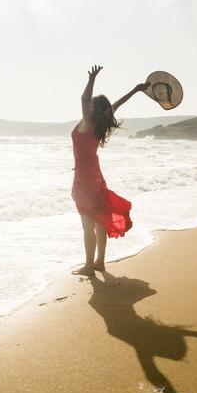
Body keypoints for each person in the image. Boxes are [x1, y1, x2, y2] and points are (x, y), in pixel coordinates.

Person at [71, 65, 150, 276]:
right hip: (96, 179)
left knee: (88, 225)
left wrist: (91, 79)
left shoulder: (88, 123)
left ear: (92, 108)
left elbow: (83, 100)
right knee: (99, 222)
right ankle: (100, 263)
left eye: (90, 105)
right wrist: (135, 90)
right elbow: (115, 105)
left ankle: (89, 267)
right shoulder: (98, 125)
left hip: (83, 182)